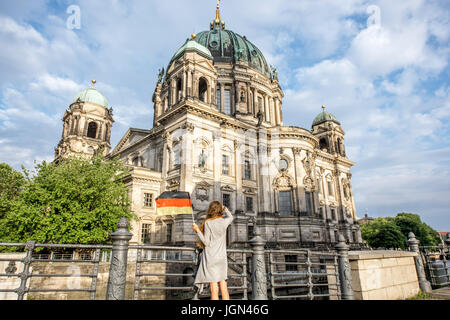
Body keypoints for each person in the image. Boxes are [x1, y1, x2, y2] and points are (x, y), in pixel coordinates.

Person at [192, 201, 234, 300]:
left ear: (210, 210)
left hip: (211, 258)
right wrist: (225, 208)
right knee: (224, 287)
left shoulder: (208, 223)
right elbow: (231, 217)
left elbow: (206, 242)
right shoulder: (224, 221)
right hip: (221, 259)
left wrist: (197, 230)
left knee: (214, 289)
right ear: (220, 210)